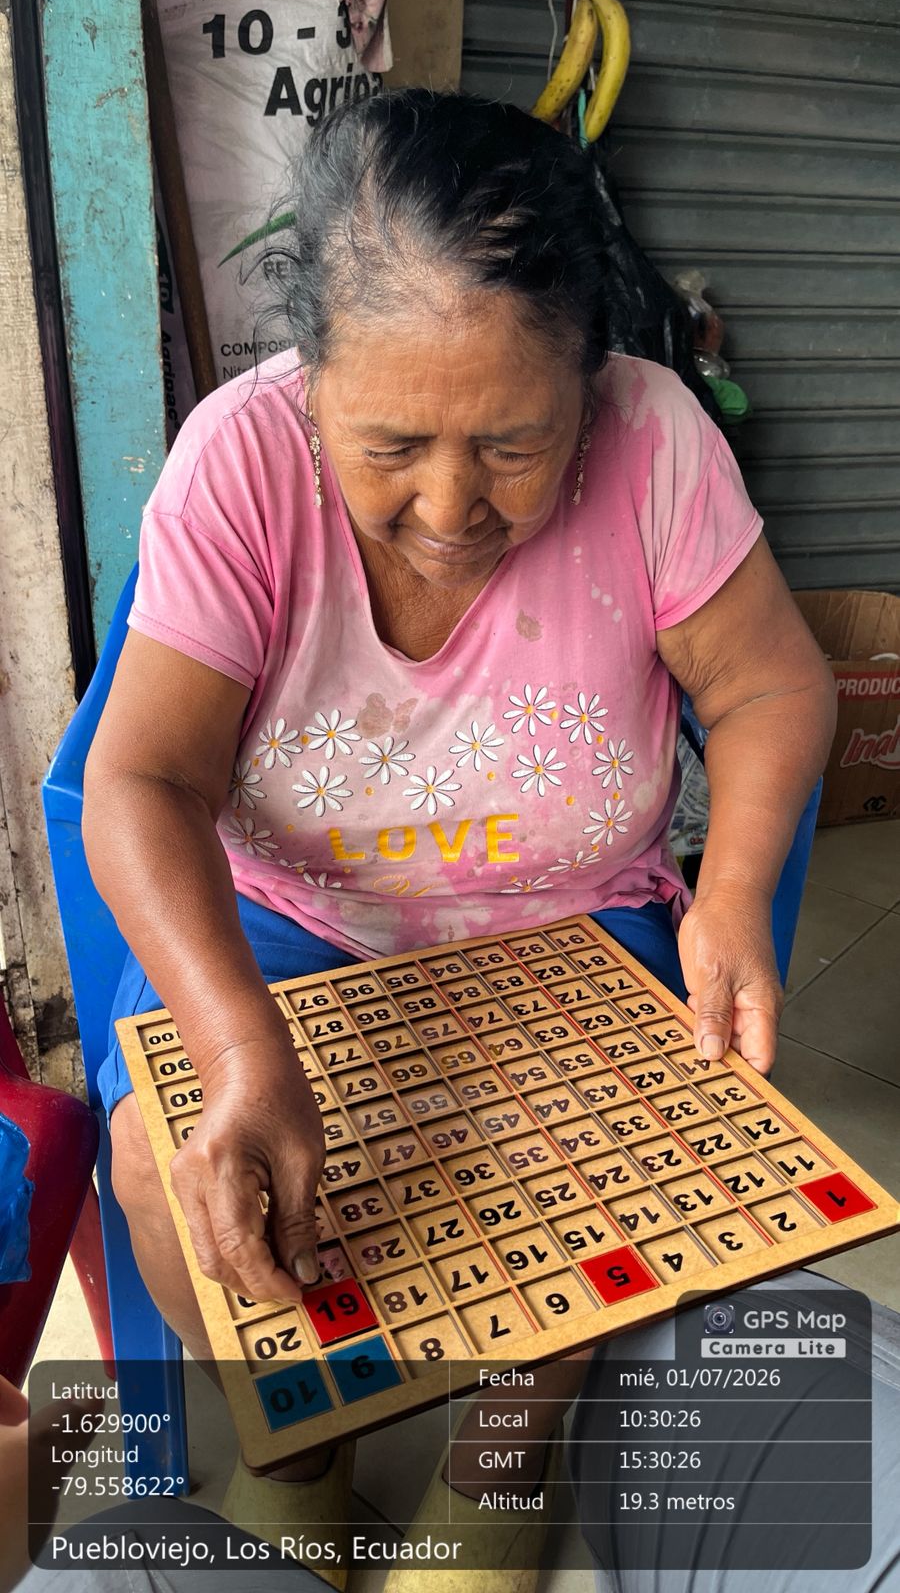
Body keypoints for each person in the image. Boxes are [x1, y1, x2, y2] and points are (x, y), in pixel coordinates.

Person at [82, 90, 835, 1592]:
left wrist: (735, 893)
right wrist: (239, 1049)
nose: (448, 505)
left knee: (599, 1145)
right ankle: (300, 1458)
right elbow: (142, 779)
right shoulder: (239, 461)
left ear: (589, 381)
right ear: (311, 381)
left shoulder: (656, 440)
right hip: (302, 921)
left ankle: (503, 1455)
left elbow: (770, 685)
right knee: (171, 1160)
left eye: (512, 444)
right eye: (391, 444)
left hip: (575, 917)